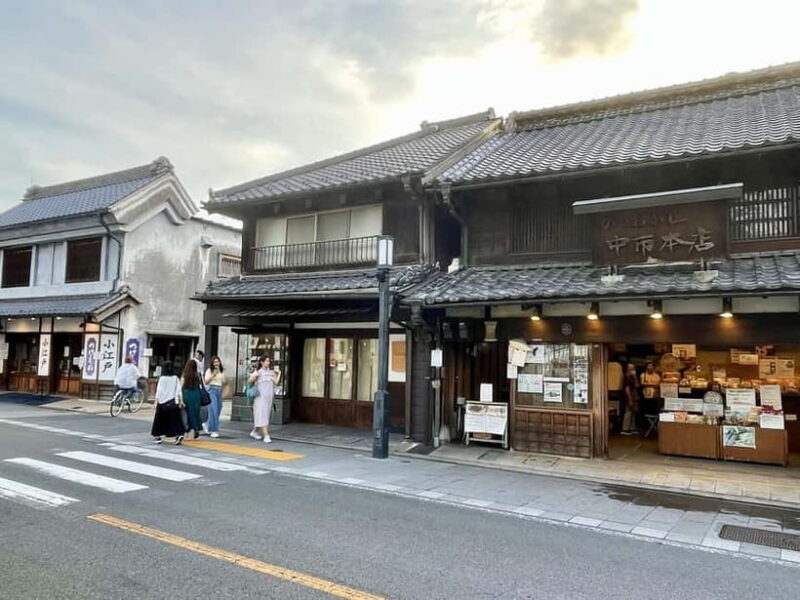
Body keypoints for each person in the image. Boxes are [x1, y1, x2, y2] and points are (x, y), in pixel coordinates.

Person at [248, 355, 280, 443]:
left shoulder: (271, 372)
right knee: (262, 415)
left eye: (269, 361)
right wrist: (254, 376)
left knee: (265, 415)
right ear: (262, 362)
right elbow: (249, 381)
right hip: (259, 398)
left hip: (269, 397)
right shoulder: (258, 372)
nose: (268, 363)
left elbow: (276, 383)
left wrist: (279, 374)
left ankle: (254, 431)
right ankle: (266, 435)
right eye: (266, 361)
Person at [151, 361, 185, 445]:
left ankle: (157, 436)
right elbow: (178, 390)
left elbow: (159, 390)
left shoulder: (162, 378)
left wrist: (156, 401)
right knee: (176, 420)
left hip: (163, 402)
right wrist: (180, 401)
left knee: (159, 421)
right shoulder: (175, 378)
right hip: (173, 402)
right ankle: (178, 434)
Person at [203, 356, 226, 439]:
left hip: (219, 390)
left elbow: (223, 382)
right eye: (215, 362)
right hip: (212, 389)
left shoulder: (221, 371)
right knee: (214, 410)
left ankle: (208, 423)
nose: (216, 363)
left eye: (218, 362)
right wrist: (213, 374)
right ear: (212, 363)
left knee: (219, 409)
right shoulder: (209, 371)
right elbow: (206, 381)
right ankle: (213, 430)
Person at [181, 359, 203, 439]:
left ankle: (187, 430)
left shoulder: (185, 374)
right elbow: (201, 385)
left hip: (187, 395)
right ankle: (196, 429)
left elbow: (181, 385)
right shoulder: (197, 375)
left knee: (187, 413)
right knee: (196, 413)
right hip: (196, 395)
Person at [622, 363, 639, 435]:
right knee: (628, 412)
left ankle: (632, 428)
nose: (632, 370)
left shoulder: (632, 377)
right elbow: (627, 388)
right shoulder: (627, 377)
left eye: (633, 368)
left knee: (633, 412)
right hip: (629, 396)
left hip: (634, 395)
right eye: (631, 368)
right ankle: (625, 429)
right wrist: (629, 398)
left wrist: (635, 377)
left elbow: (637, 385)